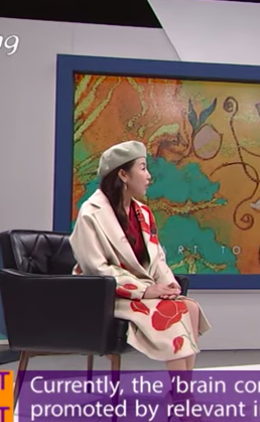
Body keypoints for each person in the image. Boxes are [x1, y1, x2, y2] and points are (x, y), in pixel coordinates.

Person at [69, 140, 212, 378]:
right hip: (106, 295)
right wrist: (145, 291)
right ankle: (182, 395)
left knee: (190, 307)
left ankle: (183, 389)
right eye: (143, 168)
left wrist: (169, 285)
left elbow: (157, 259)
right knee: (172, 312)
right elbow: (96, 268)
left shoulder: (143, 213)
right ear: (123, 174)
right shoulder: (91, 213)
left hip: (140, 290)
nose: (149, 176)